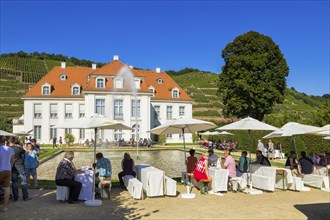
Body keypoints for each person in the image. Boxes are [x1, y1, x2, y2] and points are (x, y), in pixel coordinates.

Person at [8, 137, 31, 201]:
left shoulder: (8, 149)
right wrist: (22, 145)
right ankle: (25, 196)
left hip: (12, 167)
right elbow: (27, 153)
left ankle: (15, 197)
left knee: (14, 182)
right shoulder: (19, 148)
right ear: (14, 141)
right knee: (23, 181)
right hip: (20, 166)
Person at [0, 137, 15, 212]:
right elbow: (12, 160)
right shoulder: (10, 149)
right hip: (8, 169)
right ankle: (5, 207)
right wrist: (10, 168)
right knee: (7, 188)